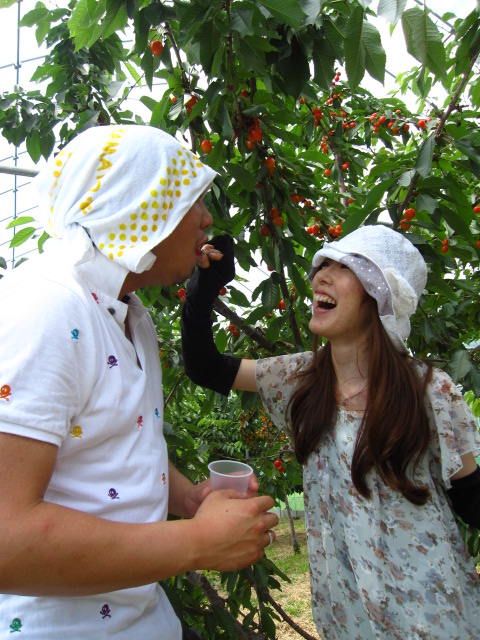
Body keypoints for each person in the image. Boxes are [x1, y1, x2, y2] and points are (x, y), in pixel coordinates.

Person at [0, 125, 278, 640]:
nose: (207, 219)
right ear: (141, 207)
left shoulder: (130, 314)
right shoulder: (46, 309)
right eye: (192, 200)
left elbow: (115, 441)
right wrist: (198, 542)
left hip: (143, 621)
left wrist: (190, 499)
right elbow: (6, 539)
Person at [181, 226, 480, 640]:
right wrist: (203, 290)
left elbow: (470, 495)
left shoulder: (428, 389)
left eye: (344, 268)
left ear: (380, 295)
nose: (321, 274)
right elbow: (206, 367)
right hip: (345, 614)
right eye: (323, 264)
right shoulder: (300, 379)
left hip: (431, 612)